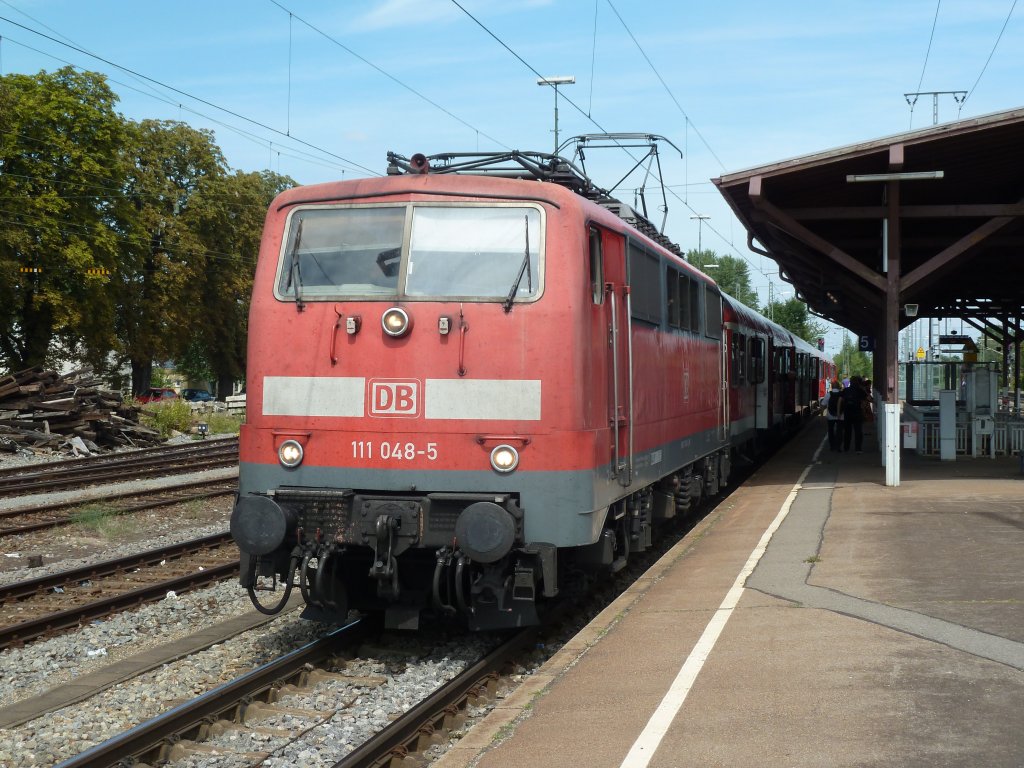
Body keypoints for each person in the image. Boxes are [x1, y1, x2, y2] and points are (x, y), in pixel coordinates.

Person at [841, 375, 867, 453]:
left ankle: (846, 448)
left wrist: (840, 411)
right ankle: (858, 449)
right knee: (858, 431)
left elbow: (841, 400)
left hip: (847, 413)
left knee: (847, 432)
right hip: (857, 413)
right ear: (859, 382)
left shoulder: (846, 390)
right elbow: (868, 399)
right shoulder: (860, 390)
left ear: (850, 382)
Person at [824, 380, 844, 452]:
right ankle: (838, 447)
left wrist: (821, 415)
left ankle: (832, 446)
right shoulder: (842, 394)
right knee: (840, 431)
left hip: (830, 415)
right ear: (838, 386)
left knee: (831, 431)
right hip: (841, 416)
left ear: (831, 387)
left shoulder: (828, 394)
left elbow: (823, 404)